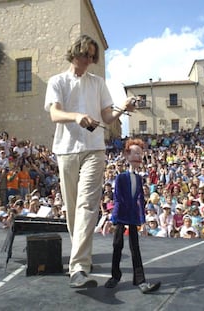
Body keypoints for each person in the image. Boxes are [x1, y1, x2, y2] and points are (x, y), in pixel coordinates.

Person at [44, 34, 136, 289]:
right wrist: (76, 117)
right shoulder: (57, 81)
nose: (88, 61)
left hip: (94, 149)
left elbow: (107, 117)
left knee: (87, 205)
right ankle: (81, 258)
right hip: (65, 150)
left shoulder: (98, 83)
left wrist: (122, 108)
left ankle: (79, 267)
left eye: (92, 57)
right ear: (74, 53)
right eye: (85, 55)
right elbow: (54, 113)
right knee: (72, 210)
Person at [104, 138, 161, 294]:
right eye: (135, 153)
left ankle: (140, 279)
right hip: (121, 214)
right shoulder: (121, 177)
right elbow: (117, 198)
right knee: (117, 245)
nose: (138, 157)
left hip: (133, 215)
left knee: (135, 247)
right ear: (127, 155)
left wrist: (142, 221)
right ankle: (115, 276)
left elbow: (140, 199)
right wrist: (114, 218)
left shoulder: (138, 178)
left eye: (140, 154)